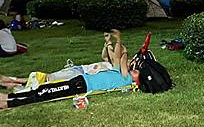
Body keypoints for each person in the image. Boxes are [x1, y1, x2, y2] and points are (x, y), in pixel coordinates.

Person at [0, 30, 139, 109]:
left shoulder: (125, 79)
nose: (133, 70)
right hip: (79, 79)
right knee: (44, 90)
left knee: (44, 92)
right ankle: (8, 96)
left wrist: (125, 53)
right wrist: (117, 41)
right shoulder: (116, 70)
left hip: (81, 84)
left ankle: (7, 101)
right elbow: (115, 57)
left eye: (135, 72)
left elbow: (120, 59)